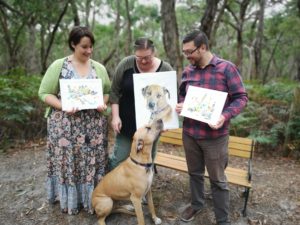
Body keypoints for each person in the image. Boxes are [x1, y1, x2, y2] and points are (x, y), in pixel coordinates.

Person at [175, 30, 248, 225]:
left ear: (203, 47)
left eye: (190, 52)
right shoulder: (188, 71)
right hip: (190, 133)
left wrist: (224, 116)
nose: (187, 56)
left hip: (215, 137)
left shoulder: (226, 69)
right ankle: (197, 204)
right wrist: (181, 104)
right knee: (194, 173)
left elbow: (241, 98)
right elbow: (182, 96)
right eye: (185, 52)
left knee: (218, 180)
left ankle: (222, 220)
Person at [38, 26, 111, 215]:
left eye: (91, 47)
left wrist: (102, 104)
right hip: (65, 127)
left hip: (93, 128)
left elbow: (107, 92)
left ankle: (93, 198)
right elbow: (44, 93)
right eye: (84, 47)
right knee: (70, 162)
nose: (89, 51)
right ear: (73, 44)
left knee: (90, 162)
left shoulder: (99, 68)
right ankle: (71, 201)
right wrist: (63, 105)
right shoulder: (59, 66)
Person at [109, 37, 173, 171]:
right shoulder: (126, 64)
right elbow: (114, 91)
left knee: (146, 162)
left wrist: (167, 123)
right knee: (119, 159)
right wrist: (115, 116)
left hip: (151, 128)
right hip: (126, 125)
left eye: (147, 57)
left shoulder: (165, 68)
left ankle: (141, 191)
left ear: (154, 52)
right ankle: (115, 190)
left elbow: (172, 98)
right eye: (139, 58)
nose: (143, 61)